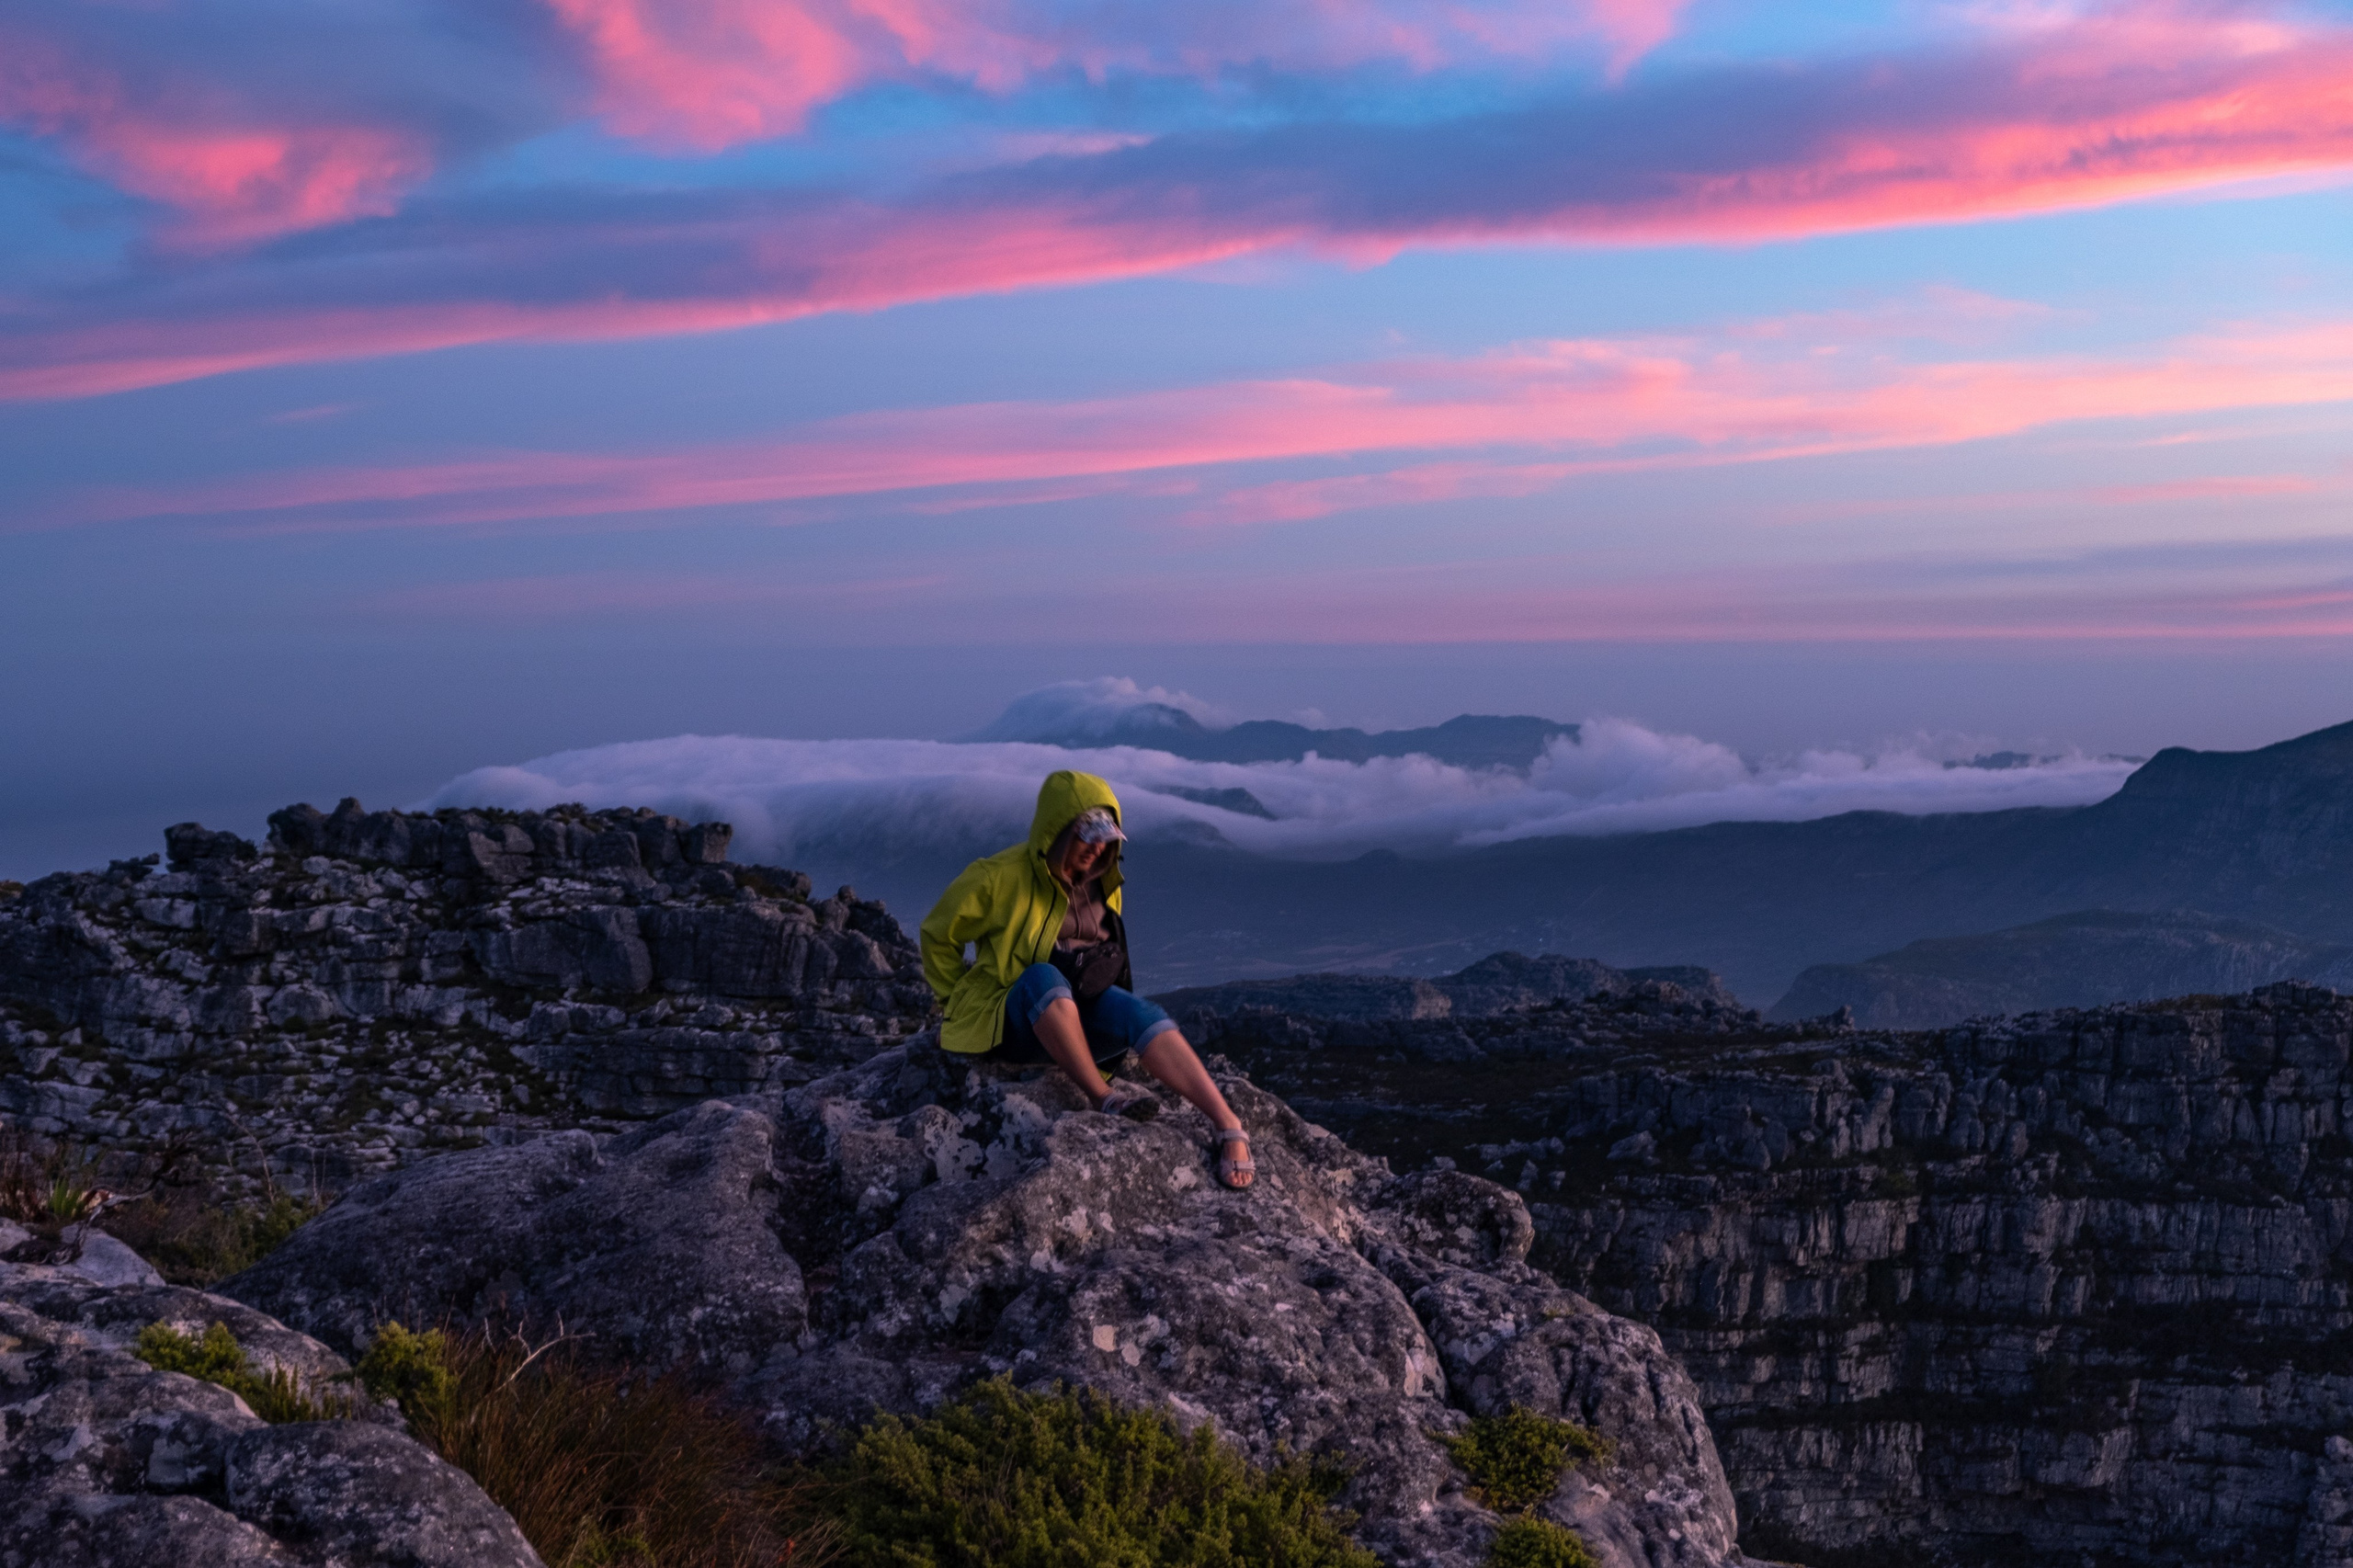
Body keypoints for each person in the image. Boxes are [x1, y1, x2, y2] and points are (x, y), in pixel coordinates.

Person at [919, 770, 1254, 1189]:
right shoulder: (997, 877)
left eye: (1106, 838)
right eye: (1087, 836)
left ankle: (1228, 1125)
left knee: (1142, 1012)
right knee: (1043, 977)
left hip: (1076, 1019)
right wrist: (956, 1004)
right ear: (1057, 831)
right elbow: (938, 935)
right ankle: (1104, 1098)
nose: (1098, 848)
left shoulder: (1104, 882)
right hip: (1015, 1024)